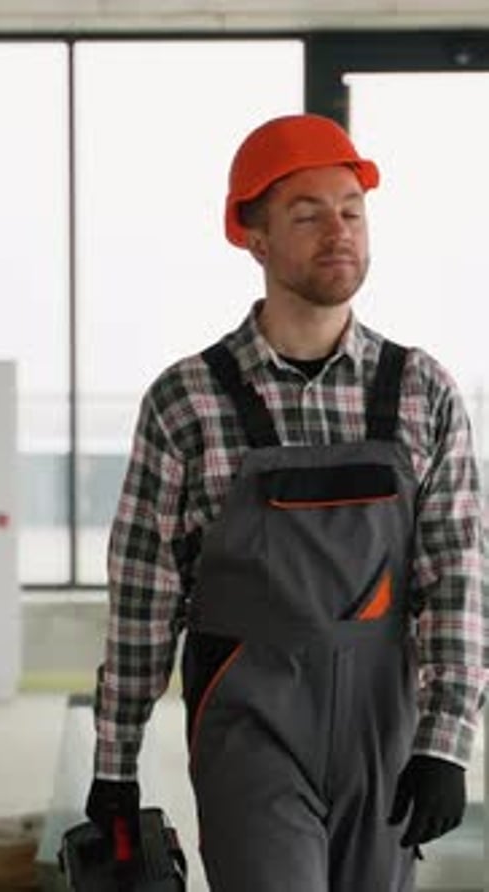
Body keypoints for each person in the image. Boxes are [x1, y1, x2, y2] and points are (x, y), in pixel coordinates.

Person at [86, 113, 487, 891]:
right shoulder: (189, 401)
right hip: (250, 717)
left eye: (351, 209)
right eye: (307, 214)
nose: (337, 231)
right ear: (256, 240)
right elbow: (143, 600)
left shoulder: (421, 390)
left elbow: (457, 580)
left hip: (384, 720)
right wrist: (116, 766)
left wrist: (445, 743)